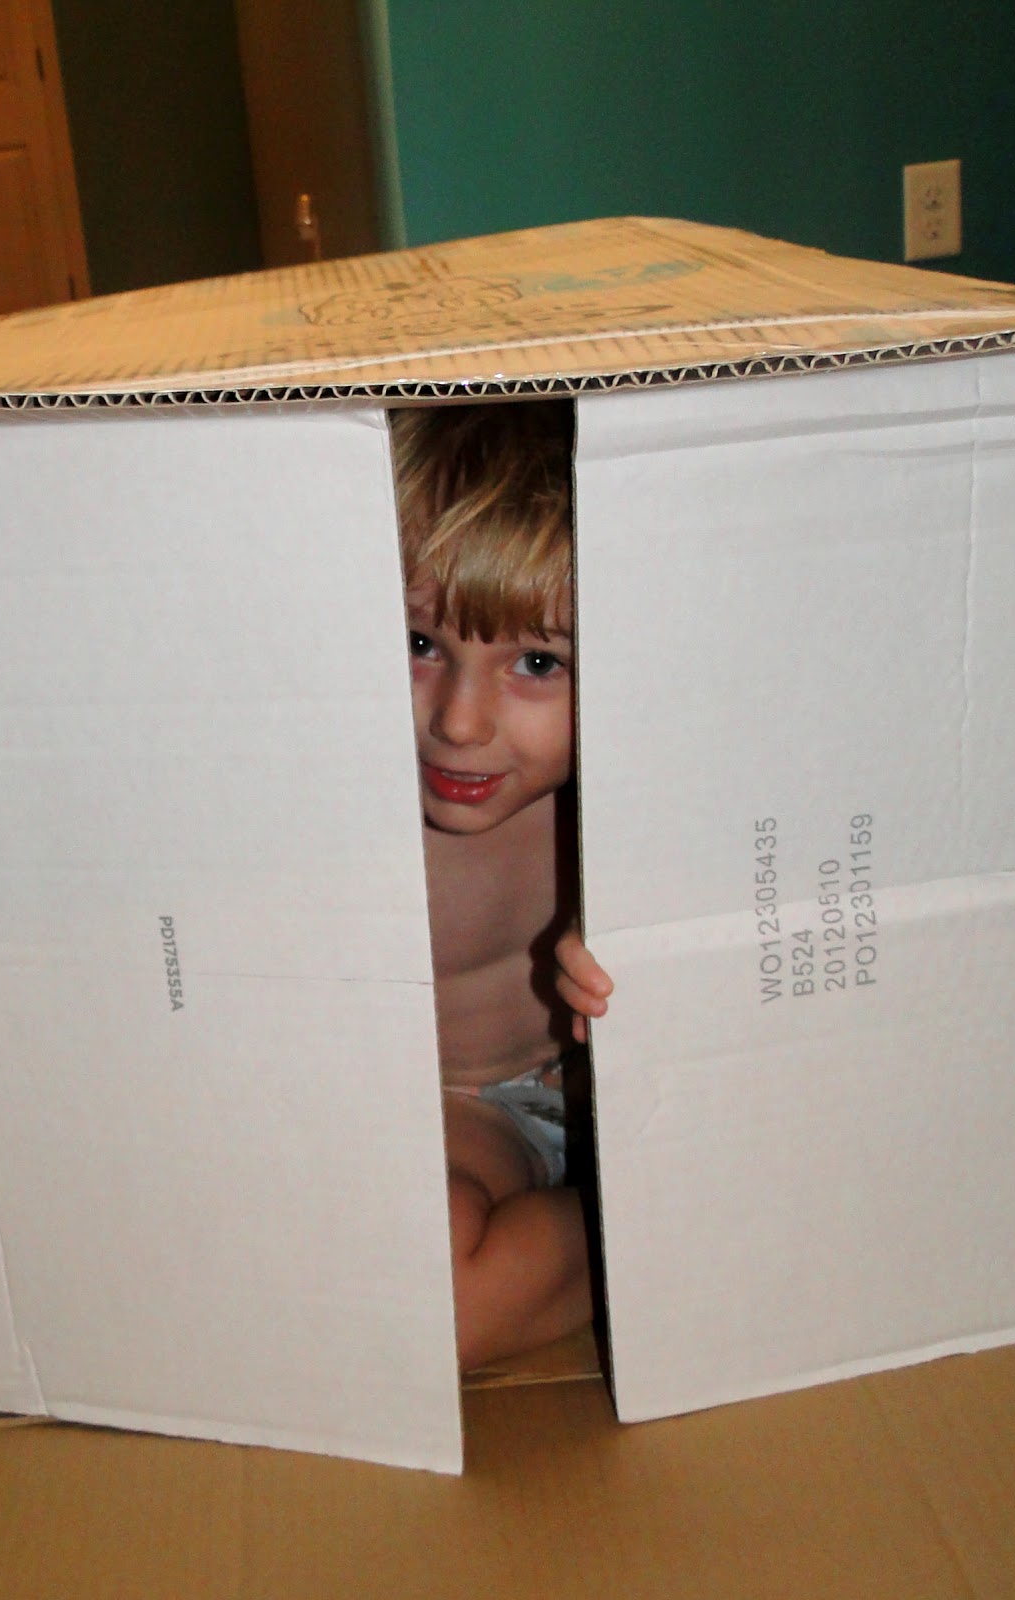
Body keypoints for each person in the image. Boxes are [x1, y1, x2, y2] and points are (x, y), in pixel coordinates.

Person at [390, 401, 613, 1371]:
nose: (460, 722)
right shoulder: (329, 791)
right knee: (427, 1295)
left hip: (631, 1084)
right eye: (418, 644)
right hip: (465, 1106)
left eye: (536, 661)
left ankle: (672, 1206)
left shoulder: (638, 785)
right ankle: (636, 1222)